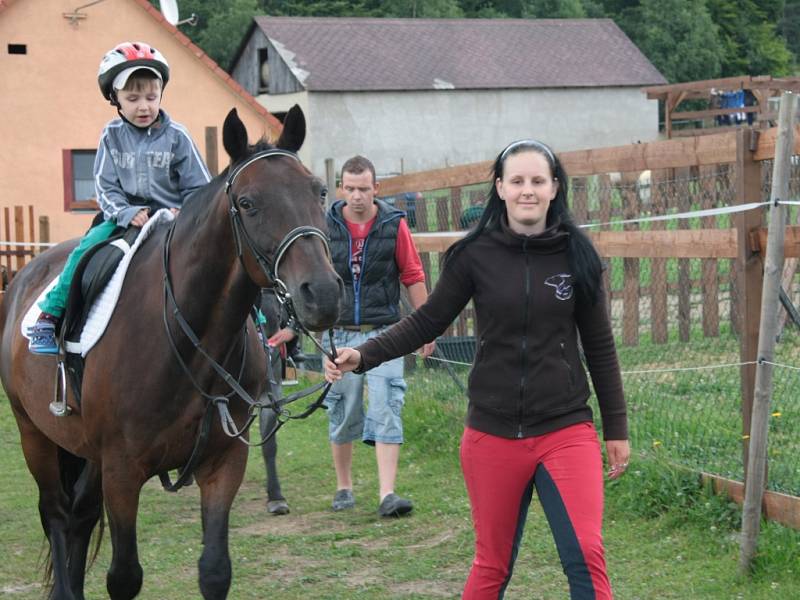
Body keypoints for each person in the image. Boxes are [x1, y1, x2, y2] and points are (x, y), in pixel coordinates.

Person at [325, 140, 630, 598]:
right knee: (492, 565)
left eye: (538, 181)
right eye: (518, 181)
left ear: (554, 189)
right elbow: (426, 321)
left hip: (565, 428)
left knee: (586, 554)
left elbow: (601, 346)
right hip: (492, 433)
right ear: (500, 188)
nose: (528, 190)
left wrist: (617, 428)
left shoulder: (577, 256)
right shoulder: (474, 255)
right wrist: (364, 354)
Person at [27, 41, 211, 354]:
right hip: (122, 218)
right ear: (116, 99)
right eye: (133, 98)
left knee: (217, 251)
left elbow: (200, 186)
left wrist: (183, 211)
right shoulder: (111, 136)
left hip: (175, 218)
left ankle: (254, 319)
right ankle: (50, 315)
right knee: (85, 251)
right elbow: (104, 187)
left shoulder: (178, 136)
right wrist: (126, 212)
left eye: (151, 97)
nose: (144, 106)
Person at [325, 155, 435, 518]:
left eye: (364, 189)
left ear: (376, 188)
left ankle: (388, 492)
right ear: (342, 189)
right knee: (344, 408)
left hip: (386, 332)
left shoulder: (393, 224)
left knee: (387, 404)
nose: (357, 196)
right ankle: (344, 485)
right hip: (339, 332)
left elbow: (413, 274)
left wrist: (425, 327)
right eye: (350, 188)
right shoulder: (325, 226)